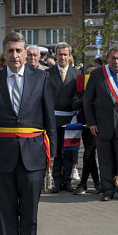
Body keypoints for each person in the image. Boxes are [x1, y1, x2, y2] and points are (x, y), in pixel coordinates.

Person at [0, 32, 56, 235]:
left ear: (26, 53)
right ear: (4, 53)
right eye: (10, 50)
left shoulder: (41, 78)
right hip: (2, 155)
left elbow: (49, 120)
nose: (14, 55)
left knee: (30, 211)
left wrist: (52, 155)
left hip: (33, 155)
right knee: (6, 211)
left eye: (19, 50)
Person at [83, 45, 118, 201]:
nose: (116, 62)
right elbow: (87, 101)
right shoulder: (97, 74)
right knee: (104, 159)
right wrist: (91, 123)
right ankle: (107, 189)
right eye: (113, 58)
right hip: (102, 125)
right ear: (107, 59)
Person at [46, 42, 80, 192]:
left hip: (71, 119)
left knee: (69, 151)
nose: (63, 57)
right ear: (55, 55)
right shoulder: (47, 73)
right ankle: (57, 181)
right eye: (60, 54)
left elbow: (80, 95)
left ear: (70, 56)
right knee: (56, 151)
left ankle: (67, 181)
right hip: (53, 118)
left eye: (65, 54)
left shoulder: (77, 73)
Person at [74, 63, 101, 195]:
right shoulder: (81, 89)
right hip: (85, 125)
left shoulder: (101, 88)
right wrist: (86, 96)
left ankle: (83, 183)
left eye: (93, 73)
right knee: (89, 156)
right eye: (88, 73)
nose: (90, 76)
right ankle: (96, 183)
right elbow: (75, 104)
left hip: (98, 125)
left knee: (88, 154)